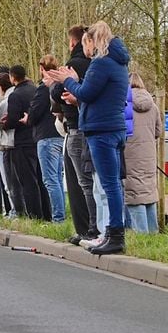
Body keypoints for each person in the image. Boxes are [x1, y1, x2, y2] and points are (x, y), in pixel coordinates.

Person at [46, 21, 131, 255]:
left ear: (92, 41)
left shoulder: (101, 63)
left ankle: (114, 234)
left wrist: (68, 80)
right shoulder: (119, 62)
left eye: (86, 44)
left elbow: (86, 92)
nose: (86, 50)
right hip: (114, 126)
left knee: (108, 184)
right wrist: (77, 89)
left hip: (101, 129)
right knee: (111, 184)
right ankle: (111, 232)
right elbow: (96, 95)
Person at [53, 25, 98, 245]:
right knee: (93, 182)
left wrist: (60, 84)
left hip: (76, 126)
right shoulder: (98, 65)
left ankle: (89, 228)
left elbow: (57, 92)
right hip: (88, 128)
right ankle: (93, 227)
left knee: (81, 182)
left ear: (74, 43)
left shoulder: (74, 65)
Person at [4, 65, 47, 219]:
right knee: (40, 179)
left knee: (27, 181)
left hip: (22, 141)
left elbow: (13, 119)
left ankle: (34, 215)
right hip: (36, 137)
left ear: (12, 77)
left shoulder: (15, 95)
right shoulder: (34, 89)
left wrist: (4, 124)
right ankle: (46, 213)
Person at [29, 56, 66, 223]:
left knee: (50, 180)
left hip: (46, 136)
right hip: (59, 136)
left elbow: (34, 113)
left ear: (42, 68)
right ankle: (61, 215)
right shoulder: (60, 84)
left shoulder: (44, 88)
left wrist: (28, 117)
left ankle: (58, 218)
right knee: (57, 178)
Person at [125, 73, 162, 234]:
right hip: (149, 155)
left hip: (130, 153)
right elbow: (158, 131)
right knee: (148, 194)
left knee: (134, 194)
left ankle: (141, 235)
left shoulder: (124, 104)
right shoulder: (153, 106)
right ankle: (153, 233)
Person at [0, 73, 19, 217]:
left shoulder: (5, 102)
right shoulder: (15, 96)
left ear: (0, 86)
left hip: (5, 144)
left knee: (8, 181)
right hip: (15, 142)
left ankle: (14, 210)